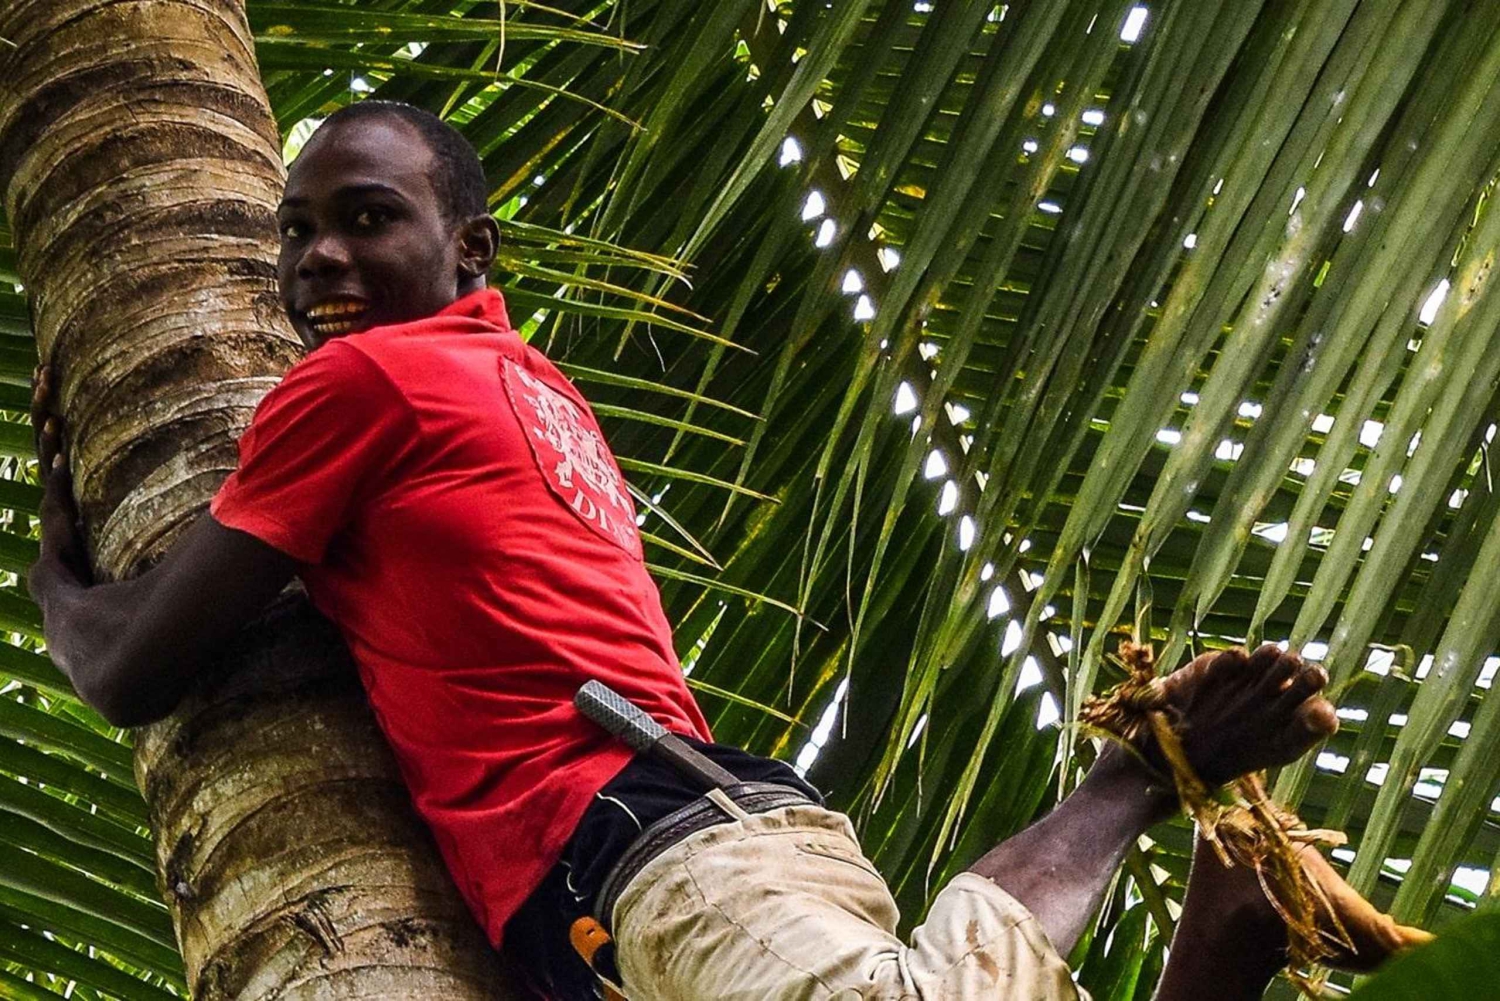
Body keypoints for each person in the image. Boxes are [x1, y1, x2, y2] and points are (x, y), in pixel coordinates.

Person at [27, 101, 1429, 1000]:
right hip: (707, 835)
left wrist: (56, 568)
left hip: (636, 851)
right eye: (295, 232)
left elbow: (133, 667)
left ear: (472, 248)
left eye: (367, 218)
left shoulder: (363, 383)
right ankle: (1178, 859)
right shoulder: (525, 388)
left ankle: (1139, 794)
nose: (318, 259)